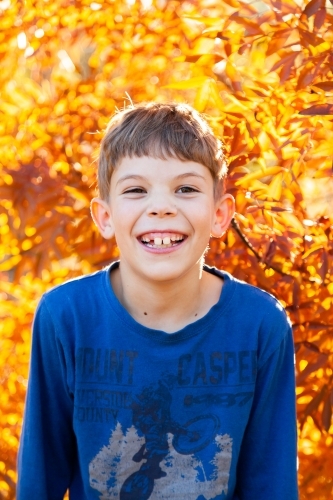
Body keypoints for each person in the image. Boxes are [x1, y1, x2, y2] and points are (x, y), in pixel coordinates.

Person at [17, 102, 298, 500]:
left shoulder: (260, 325)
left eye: (186, 188)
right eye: (135, 190)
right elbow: (37, 484)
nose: (161, 206)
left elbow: (272, 485)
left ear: (219, 215)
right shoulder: (66, 317)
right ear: (105, 216)